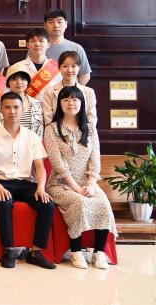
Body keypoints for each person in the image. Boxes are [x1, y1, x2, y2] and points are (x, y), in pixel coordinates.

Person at [0, 92, 57, 269]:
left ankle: (36, 252)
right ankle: (9, 251)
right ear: (1, 110)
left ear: (22, 110)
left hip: (26, 183)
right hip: (0, 182)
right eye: (7, 107)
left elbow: (40, 167)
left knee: (47, 205)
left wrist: (41, 188)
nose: (12, 111)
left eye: (16, 107)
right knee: (4, 202)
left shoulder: (32, 137)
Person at [43, 86, 116, 270]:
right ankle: (76, 251)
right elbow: (57, 163)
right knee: (80, 203)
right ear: (60, 104)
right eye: (66, 99)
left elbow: (95, 159)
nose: (71, 103)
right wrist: (76, 188)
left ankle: (99, 253)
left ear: (82, 103)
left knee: (103, 203)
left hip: (87, 183)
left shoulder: (90, 128)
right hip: (60, 184)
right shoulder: (51, 129)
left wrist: (91, 184)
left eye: (75, 99)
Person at [41, 51, 98, 128]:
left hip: (83, 133)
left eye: (73, 66)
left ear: (79, 67)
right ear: (59, 68)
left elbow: (91, 118)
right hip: (55, 133)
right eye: (65, 66)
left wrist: (78, 133)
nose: (69, 70)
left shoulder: (89, 92)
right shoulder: (49, 91)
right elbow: (48, 119)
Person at [6, 28, 61, 98]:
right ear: (27, 45)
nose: (37, 44)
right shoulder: (15, 68)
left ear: (48, 44)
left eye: (41, 41)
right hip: (24, 105)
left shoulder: (57, 68)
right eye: (33, 41)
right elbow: (9, 95)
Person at [44, 8, 92, 85]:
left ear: (66, 24)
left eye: (59, 22)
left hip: (69, 91)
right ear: (45, 25)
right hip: (45, 92)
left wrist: (75, 90)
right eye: (51, 22)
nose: (56, 25)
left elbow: (85, 75)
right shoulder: (37, 48)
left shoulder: (76, 48)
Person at [7, 71, 45, 136]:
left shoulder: (36, 104)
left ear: (27, 82)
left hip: (32, 142)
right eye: (14, 79)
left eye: (23, 79)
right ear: (8, 82)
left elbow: (40, 130)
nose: (19, 82)